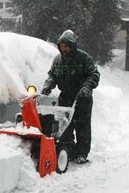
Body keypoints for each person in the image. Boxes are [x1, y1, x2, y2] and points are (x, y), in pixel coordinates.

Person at [41, 30, 100, 164]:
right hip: (65, 96)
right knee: (64, 125)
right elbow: (52, 75)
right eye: (62, 46)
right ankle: (68, 150)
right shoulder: (57, 60)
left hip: (82, 98)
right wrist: (48, 86)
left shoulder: (84, 58)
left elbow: (94, 74)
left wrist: (86, 88)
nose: (64, 48)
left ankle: (82, 153)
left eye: (67, 46)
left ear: (73, 45)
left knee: (82, 126)